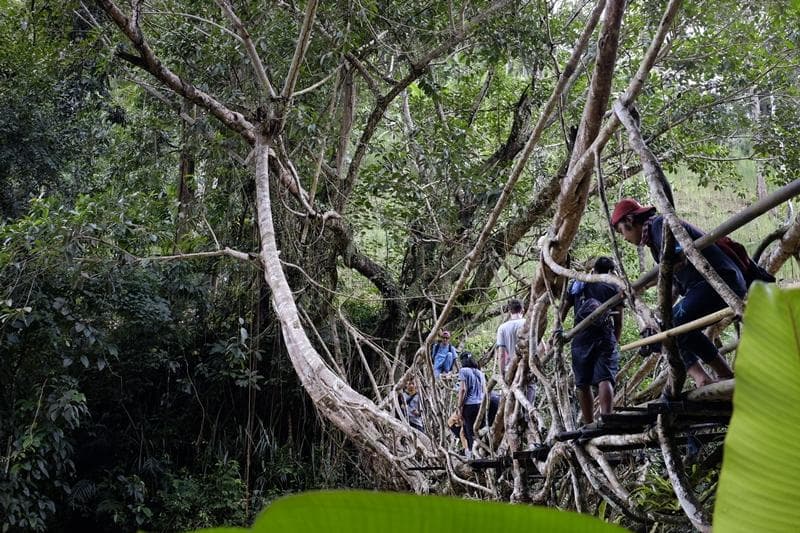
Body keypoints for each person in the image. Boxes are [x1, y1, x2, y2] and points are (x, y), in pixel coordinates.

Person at [611, 198, 745, 387]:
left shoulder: (659, 225)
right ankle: (721, 374)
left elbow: (678, 260)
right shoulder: (654, 243)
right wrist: (658, 316)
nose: (624, 238)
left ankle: (703, 377)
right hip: (707, 286)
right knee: (667, 329)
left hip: (718, 281)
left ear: (630, 221)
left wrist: (642, 286)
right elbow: (673, 286)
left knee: (672, 326)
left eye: (621, 231)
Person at [560, 257, 623, 425]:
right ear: (610, 271)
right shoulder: (613, 286)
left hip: (580, 336)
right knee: (605, 378)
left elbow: (563, 309)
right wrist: (615, 340)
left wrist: (557, 331)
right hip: (603, 335)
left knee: (583, 382)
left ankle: (589, 423)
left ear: (594, 269)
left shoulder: (577, 284)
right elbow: (619, 320)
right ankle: (606, 417)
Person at [457, 353, 486, 458]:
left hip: (469, 405)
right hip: (481, 404)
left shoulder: (463, 371)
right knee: (481, 429)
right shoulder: (480, 372)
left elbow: (463, 389)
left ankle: (472, 455)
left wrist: (459, 406)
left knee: (469, 430)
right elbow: (484, 389)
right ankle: (483, 453)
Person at [495, 299, 526, 376]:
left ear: (509, 311)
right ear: (522, 310)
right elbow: (542, 348)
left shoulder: (502, 328)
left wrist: (502, 374)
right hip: (527, 369)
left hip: (510, 370)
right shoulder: (529, 324)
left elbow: (501, 354)